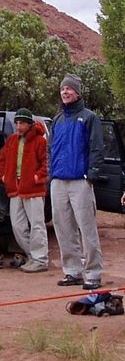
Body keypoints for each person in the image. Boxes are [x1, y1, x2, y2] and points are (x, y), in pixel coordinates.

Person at [48, 73, 105, 291]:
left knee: (86, 228)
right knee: (63, 228)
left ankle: (93, 273)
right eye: (62, 89)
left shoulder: (89, 117)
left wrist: (91, 175)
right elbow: (50, 149)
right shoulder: (58, 119)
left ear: (78, 92)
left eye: (69, 89)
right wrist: (51, 174)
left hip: (80, 181)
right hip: (59, 181)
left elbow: (97, 148)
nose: (65, 92)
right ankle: (72, 271)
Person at [0, 108, 49, 273]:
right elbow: (2, 160)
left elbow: (46, 164)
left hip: (33, 190)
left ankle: (40, 259)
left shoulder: (40, 141)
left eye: (22, 123)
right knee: (18, 226)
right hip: (15, 189)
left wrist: (36, 178)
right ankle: (33, 256)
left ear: (29, 124)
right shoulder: (12, 140)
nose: (18, 126)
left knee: (37, 225)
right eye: (17, 123)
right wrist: (5, 176)